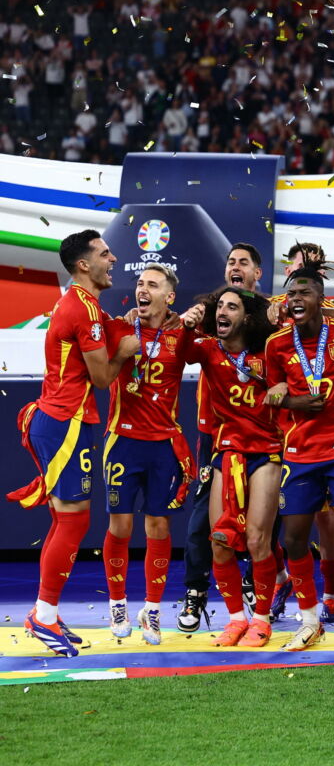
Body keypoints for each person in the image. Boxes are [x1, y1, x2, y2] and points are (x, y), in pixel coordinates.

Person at [10, 230, 139, 657]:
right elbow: (103, 377)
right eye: (105, 253)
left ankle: (45, 612)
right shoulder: (81, 309)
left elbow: (108, 336)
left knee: (65, 521)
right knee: (73, 522)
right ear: (84, 264)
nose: (113, 258)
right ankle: (43, 617)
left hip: (65, 419)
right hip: (66, 422)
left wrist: (129, 328)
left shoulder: (84, 305)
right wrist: (127, 351)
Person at [264, 268, 334, 652]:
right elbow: (272, 398)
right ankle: (310, 621)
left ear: (320, 298)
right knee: (292, 538)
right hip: (300, 451)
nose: (295, 298)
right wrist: (294, 401)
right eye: (290, 293)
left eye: (304, 292)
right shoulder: (276, 344)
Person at [101, 264, 199, 645]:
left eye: (152, 285)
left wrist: (196, 319)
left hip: (163, 447)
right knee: (120, 528)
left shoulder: (181, 334)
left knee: (158, 528)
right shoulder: (120, 328)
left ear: (169, 297)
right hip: (122, 441)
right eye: (140, 283)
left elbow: (214, 345)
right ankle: (117, 604)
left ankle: (153, 610)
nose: (143, 289)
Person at [178, 242, 265, 634]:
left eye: (243, 262)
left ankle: (255, 590)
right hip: (215, 437)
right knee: (205, 524)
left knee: (263, 527)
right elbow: (181, 350)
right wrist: (184, 323)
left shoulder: (270, 327)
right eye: (230, 261)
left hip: (265, 442)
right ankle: (197, 593)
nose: (235, 267)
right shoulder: (209, 330)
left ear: (256, 274)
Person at [189, 288, 282, 647]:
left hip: (266, 452)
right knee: (219, 543)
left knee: (258, 540)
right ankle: (235, 619)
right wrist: (187, 322)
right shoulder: (209, 349)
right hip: (225, 452)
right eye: (220, 306)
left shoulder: (269, 349)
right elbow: (178, 349)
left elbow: (296, 349)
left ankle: (261, 619)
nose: (223, 312)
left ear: (248, 316)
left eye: (233, 306)